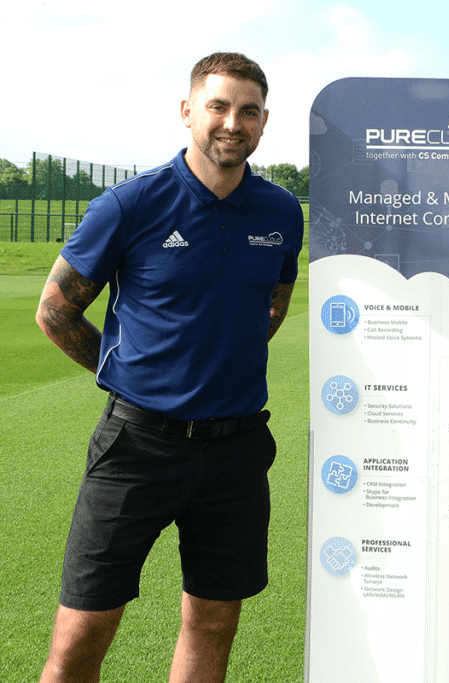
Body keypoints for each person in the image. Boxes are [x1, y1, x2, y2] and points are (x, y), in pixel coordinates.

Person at [34, 52, 304, 683]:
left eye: (248, 110)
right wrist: (124, 369)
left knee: (211, 623)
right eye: (218, 106)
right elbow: (55, 313)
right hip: (136, 444)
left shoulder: (281, 212)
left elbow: (273, 307)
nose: (232, 122)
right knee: (81, 637)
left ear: (264, 122)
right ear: (188, 112)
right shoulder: (130, 205)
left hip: (236, 451)